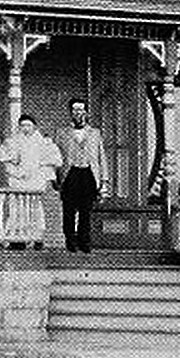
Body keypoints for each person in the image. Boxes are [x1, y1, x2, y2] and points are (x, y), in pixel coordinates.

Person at [0, 114, 63, 247]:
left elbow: (56, 159)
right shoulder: (13, 141)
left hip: (34, 180)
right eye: (22, 126)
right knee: (18, 209)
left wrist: (42, 170)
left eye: (28, 125)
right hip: (19, 180)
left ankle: (37, 238)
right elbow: (2, 155)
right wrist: (13, 166)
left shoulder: (42, 142)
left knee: (34, 209)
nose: (25, 128)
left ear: (34, 127)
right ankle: (17, 239)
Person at [57, 98, 110, 253]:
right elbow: (56, 156)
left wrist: (104, 180)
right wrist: (55, 177)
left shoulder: (95, 133)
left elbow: (101, 157)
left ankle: (84, 241)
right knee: (69, 211)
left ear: (86, 112)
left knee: (86, 211)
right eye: (74, 110)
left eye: (80, 109)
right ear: (70, 113)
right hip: (70, 174)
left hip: (89, 174)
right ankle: (70, 241)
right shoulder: (62, 133)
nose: (77, 113)